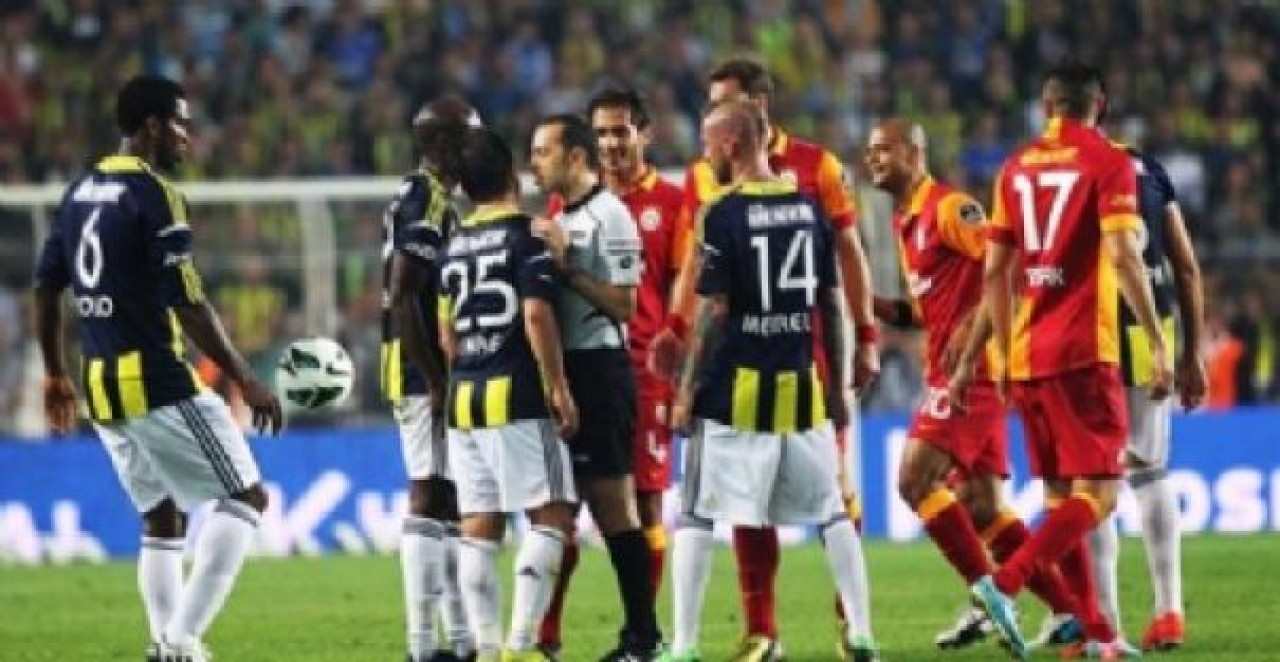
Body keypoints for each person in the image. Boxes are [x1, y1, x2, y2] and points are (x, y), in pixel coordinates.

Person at [33, 75, 283, 662]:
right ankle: (179, 641)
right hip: (155, 379)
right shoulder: (153, 194)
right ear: (151, 126)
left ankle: (164, 642)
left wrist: (55, 374)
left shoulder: (78, 191)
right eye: (180, 124)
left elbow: (45, 288)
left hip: (99, 383)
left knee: (162, 515)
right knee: (246, 497)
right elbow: (188, 302)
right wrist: (245, 378)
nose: (187, 136)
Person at [649, 56, 878, 659]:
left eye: (709, 141)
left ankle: (685, 647)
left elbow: (715, 307)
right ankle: (860, 633)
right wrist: (837, 388)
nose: (705, 153)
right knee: (832, 512)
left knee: (697, 513)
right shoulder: (807, 207)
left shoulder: (726, 210)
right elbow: (828, 300)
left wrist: (686, 390)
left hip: (737, 387)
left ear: (732, 139)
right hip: (802, 384)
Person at [949, 59, 1174, 660]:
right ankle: (1004, 584)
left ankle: (1097, 636)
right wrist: (1156, 340)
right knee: (1098, 497)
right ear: (1100, 105)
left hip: (1026, 354)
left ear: (1047, 107)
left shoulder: (1014, 166)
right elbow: (1124, 255)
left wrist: (998, 354)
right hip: (1083, 353)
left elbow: (995, 272)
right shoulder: (1107, 161)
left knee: (1058, 500)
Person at [864, 119, 1083, 650]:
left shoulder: (950, 209)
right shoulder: (905, 221)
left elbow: (1008, 267)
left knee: (914, 481)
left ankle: (989, 595)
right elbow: (923, 310)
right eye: (870, 152)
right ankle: (1068, 612)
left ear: (915, 152)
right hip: (952, 372)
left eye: (884, 150)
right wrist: (868, 305)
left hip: (974, 372)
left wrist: (969, 335)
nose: (873, 159)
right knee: (981, 505)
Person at [536, 86, 684, 657]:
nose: (611, 143)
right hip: (574, 369)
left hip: (625, 371)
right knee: (562, 508)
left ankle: (644, 635)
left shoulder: (650, 207)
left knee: (634, 507)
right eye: (601, 132)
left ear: (643, 134)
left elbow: (659, 296)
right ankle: (547, 633)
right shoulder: (561, 210)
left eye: (620, 131)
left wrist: (682, 373)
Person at [439, 127, 578, 661]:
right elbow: (537, 313)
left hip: (464, 398)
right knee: (551, 515)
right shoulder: (528, 235)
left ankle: (487, 645)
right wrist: (558, 386)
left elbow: (447, 337)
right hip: (515, 393)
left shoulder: (452, 246)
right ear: (510, 175)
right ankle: (519, 646)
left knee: (479, 524)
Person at [1087, 145, 1206, 652]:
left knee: (1092, 482)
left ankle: (1105, 626)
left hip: (1091, 335)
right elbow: (1186, 266)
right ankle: (1169, 612)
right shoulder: (1148, 168)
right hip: (1152, 328)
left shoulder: (1062, 165)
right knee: (1151, 474)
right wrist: (1192, 353)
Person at [381, 95, 481, 662]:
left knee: (446, 495)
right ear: (444, 144)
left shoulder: (425, 196)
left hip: (422, 364)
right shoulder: (427, 199)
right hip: (421, 368)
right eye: (470, 137)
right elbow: (403, 293)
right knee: (428, 491)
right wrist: (433, 377)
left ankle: (460, 641)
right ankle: (422, 646)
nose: (477, 148)